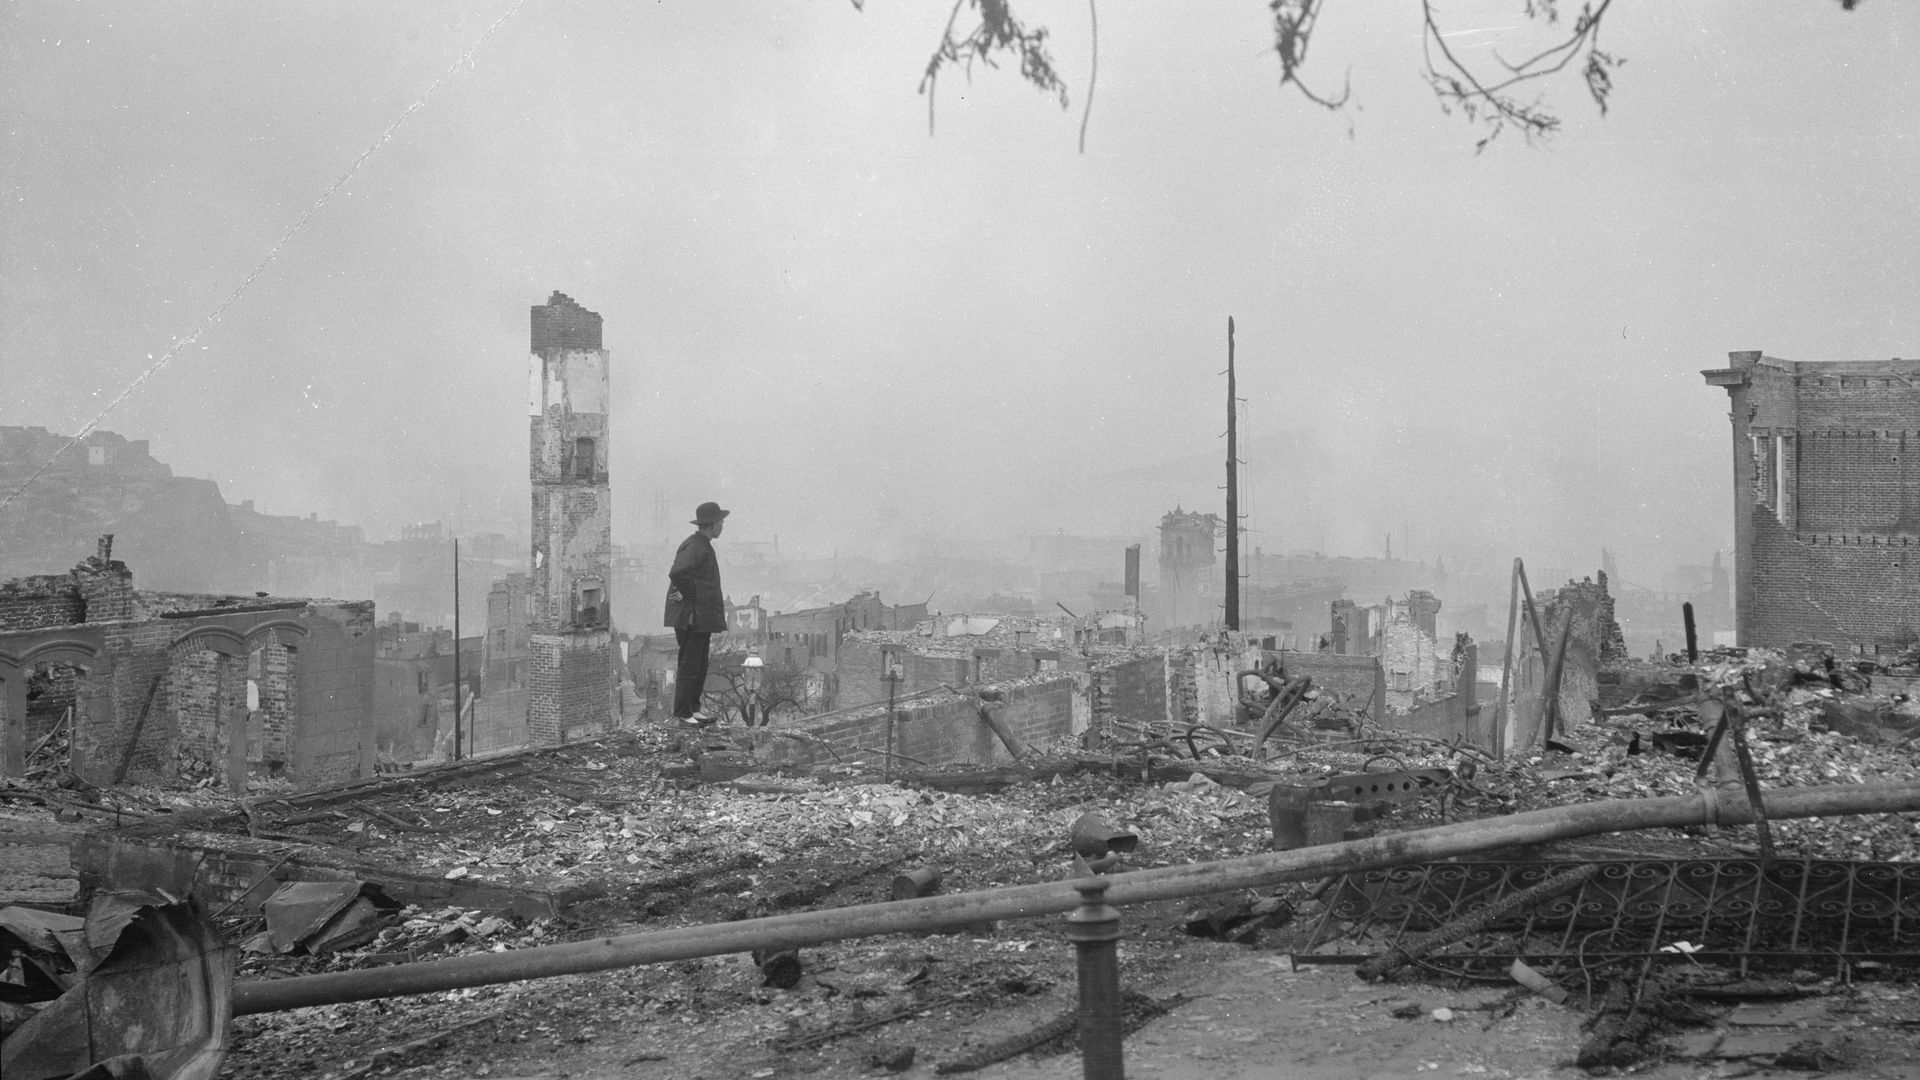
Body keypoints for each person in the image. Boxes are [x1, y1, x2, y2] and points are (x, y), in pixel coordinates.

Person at [664, 501, 729, 725]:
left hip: (700, 619)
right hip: (692, 618)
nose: (722, 526)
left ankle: (693, 708)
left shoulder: (702, 544)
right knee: (690, 664)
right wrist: (688, 593)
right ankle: (683, 712)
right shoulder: (696, 546)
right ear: (712, 524)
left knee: (699, 665)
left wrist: (689, 592)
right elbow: (678, 572)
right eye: (721, 522)